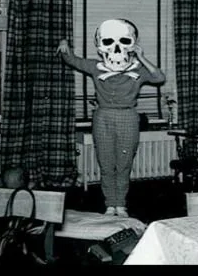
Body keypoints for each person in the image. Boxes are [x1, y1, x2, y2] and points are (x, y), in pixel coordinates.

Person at [57, 19, 166, 217]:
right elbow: (72, 60)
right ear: (100, 47)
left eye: (124, 41)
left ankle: (121, 205)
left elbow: (159, 77)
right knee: (106, 163)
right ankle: (110, 204)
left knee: (124, 164)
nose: (116, 48)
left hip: (128, 116)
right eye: (108, 42)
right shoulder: (96, 67)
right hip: (103, 117)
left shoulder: (138, 70)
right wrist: (64, 44)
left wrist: (142, 57)